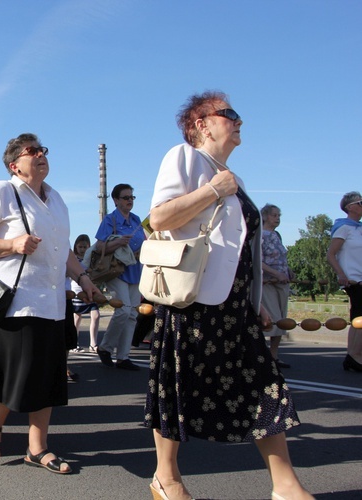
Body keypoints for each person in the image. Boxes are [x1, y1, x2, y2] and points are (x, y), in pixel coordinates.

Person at [144, 92, 312, 500]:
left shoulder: (231, 175)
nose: (239, 122)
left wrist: (255, 305)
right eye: (229, 115)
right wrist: (214, 191)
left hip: (236, 305)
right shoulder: (185, 157)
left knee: (265, 387)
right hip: (194, 301)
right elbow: (159, 218)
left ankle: (286, 485)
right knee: (178, 387)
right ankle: (166, 478)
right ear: (201, 123)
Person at [0, 133, 101, 474]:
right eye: (32, 151)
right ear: (14, 164)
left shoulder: (56, 200)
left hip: (53, 301)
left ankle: (37, 448)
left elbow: (63, 249)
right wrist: (12, 244)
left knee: (50, 377)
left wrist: (83, 279)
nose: (41, 155)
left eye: (43, 150)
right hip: (19, 301)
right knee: (21, 373)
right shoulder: (1, 191)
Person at [94, 183, 145, 370]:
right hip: (117, 270)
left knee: (132, 314)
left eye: (132, 197)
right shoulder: (110, 220)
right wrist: (118, 243)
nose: (130, 200)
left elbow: (143, 242)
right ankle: (105, 348)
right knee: (123, 310)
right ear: (116, 200)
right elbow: (100, 247)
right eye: (126, 197)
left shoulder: (136, 219)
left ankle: (123, 357)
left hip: (135, 269)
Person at [327, 191, 362, 373]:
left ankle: (353, 355)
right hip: (353, 280)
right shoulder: (344, 228)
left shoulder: (359, 228)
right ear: (350, 207)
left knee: (358, 318)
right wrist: (341, 274)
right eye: (360, 202)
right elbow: (331, 254)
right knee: (359, 318)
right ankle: (355, 356)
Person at [261, 204, 293, 369]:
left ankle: (274, 356)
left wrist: (288, 271)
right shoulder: (259, 236)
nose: (277, 218)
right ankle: (262, 355)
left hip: (281, 283)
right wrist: (276, 273)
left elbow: (281, 257)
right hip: (267, 283)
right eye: (274, 215)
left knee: (282, 319)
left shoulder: (276, 236)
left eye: (279, 215)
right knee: (271, 319)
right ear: (265, 216)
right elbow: (258, 261)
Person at [70, 234, 100, 352]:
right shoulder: (73, 258)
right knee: (77, 318)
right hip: (77, 291)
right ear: (76, 246)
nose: (82, 250)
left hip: (90, 290)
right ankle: (74, 342)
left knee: (96, 315)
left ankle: (93, 343)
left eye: (85, 247)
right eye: (80, 247)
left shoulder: (90, 259)